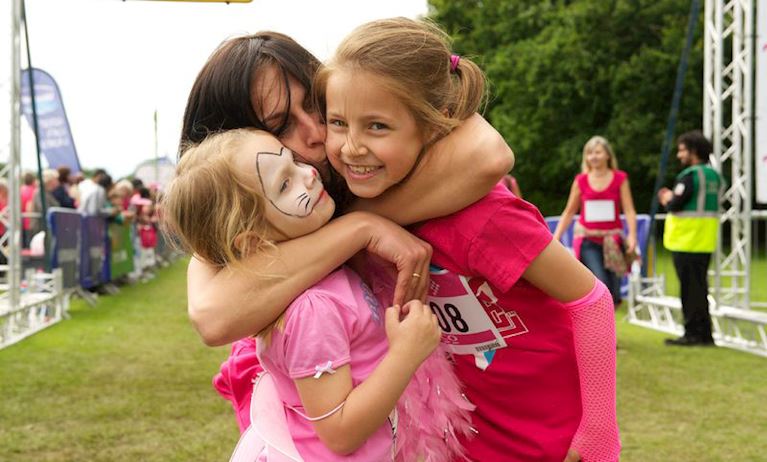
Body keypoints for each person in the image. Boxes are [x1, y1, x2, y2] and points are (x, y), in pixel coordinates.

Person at [314, 17, 620, 462]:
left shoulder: (487, 218)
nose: (351, 146)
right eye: (338, 122)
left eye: (377, 126)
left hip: (550, 439)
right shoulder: (371, 214)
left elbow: (590, 301)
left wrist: (599, 434)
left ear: (433, 127)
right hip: (470, 440)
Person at [163, 129, 473, 461]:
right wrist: (406, 353)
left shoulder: (320, 279)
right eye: (284, 184)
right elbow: (340, 432)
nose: (308, 173)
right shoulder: (313, 309)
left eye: (293, 162)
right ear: (252, 242)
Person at [553, 136, 638, 305]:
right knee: (601, 284)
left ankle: (607, 328)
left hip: (612, 241)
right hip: (588, 241)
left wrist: (632, 237)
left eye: (598, 152)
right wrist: (555, 238)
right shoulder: (581, 181)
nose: (594, 156)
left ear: (608, 155)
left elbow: (629, 209)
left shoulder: (620, 178)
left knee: (614, 291)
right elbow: (569, 211)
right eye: (590, 153)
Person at [658, 130, 722, 346]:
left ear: (693, 151)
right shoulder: (714, 176)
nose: (679, 155)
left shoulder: (690, 176)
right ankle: (705, 334)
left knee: (689, 290)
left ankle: (692, 334)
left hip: (686, 241)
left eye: (682, 150)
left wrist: (667, 198)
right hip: (704, 240)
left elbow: (675, 204)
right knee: (700, 289)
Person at [28, 169, 61, 237]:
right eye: (55, 179)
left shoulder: (47, 193)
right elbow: (44, 209)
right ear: (50, 180)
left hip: (45, 228)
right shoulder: (40, 193)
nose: (57, 182)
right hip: (40, 229)